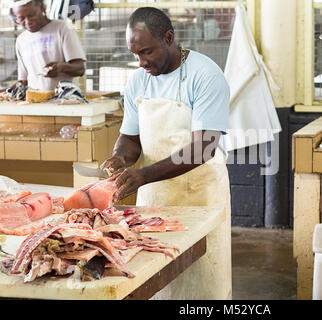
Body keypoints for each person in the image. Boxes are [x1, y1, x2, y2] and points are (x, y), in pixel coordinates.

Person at [100, 7, 232, 299]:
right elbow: (130, 138)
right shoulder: (138, 80)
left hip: (201, 198)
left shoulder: (205, 75)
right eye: (135, 54)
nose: (141, 61)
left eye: (146, 52)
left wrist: (144, 174)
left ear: (169, 38)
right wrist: (121, 157)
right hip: (154, 201)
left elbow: (204, 147)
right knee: (158, 281)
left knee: (203, 281)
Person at [9, 0, 86, 92]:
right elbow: (23, 80)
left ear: (42, 7)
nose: (28, 21)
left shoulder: (62, 28)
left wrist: (61, 67)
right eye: (21, 18)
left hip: (64, 100)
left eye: (31, 15)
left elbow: (80, 68)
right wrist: (10, 90)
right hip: (35, 102)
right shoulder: (21, 40)